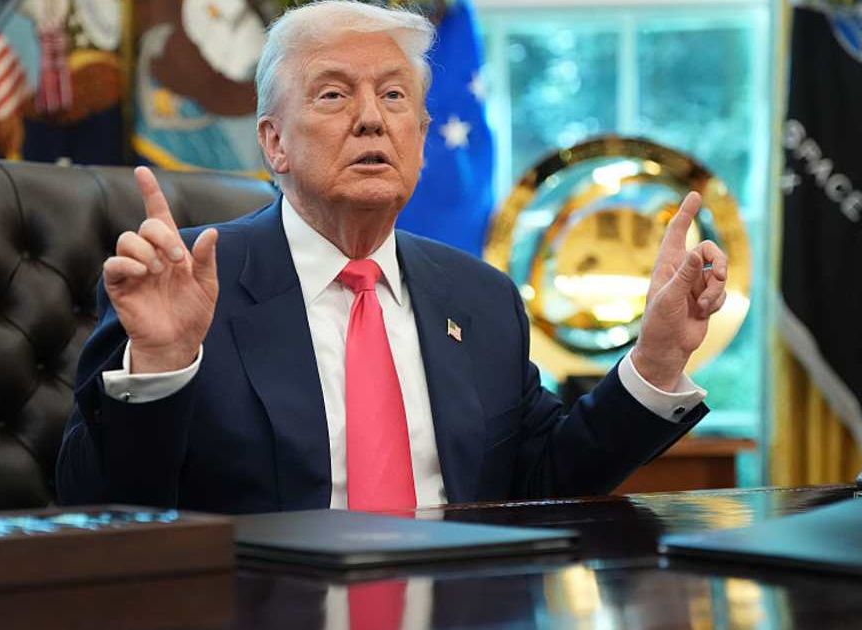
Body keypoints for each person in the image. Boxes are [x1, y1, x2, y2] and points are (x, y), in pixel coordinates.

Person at [56, 1, 728, 514]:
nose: (373, 119)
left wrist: (657, 360)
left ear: (421, 136)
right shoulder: (190, 285)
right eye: (334, 94)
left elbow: (545, 481)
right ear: (274, 143)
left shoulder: (482, 299)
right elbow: (96, 507)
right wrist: (162, 368)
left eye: (395, 96)